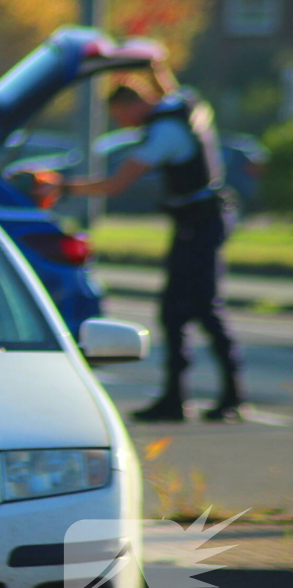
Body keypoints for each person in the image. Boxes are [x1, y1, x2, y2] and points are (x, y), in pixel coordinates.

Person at [35, 74, 243, 423]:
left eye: (120, 116)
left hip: (200, 224)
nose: (123, 125)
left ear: (131, 104)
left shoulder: (165, 132)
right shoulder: (183, 107)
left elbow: (116, 184)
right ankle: (178, 398)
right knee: (177, 312)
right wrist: (150, 65)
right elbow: (167, 82)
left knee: (201, 308)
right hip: (199, 221)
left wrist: (62, 186)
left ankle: (228, 398)